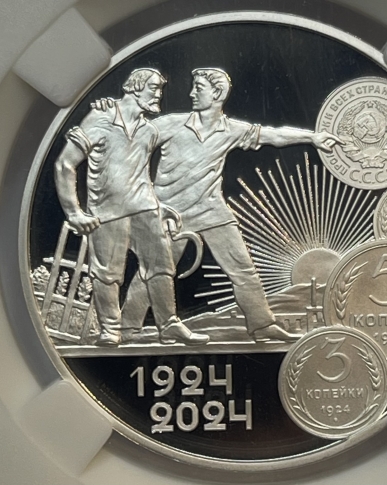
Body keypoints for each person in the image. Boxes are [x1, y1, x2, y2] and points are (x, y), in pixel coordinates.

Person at [96, 68, 339, 341]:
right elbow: (129, 135)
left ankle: (261, 325)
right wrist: (109, 110)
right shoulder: (170, 124)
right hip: (170, 213)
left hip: (212, 211)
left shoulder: (231, 130)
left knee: (243, 268)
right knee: (153, 272)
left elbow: (273, 135)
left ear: (217, 93)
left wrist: (312, 138)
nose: (191, 93)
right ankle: (128, 326)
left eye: (198, 88)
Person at [54, 68, 209, 346]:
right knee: (107, 273)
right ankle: (110, 329)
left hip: (145, 210)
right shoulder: (100, 118)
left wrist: (158, 206)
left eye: (160, 90)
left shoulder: (148, 131)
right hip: (107, 213)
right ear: (135, 87)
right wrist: (74, 212)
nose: (159, 96)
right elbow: (65, 164)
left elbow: (139, 174)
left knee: (161, 268)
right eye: (154, 89)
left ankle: (169, 325)